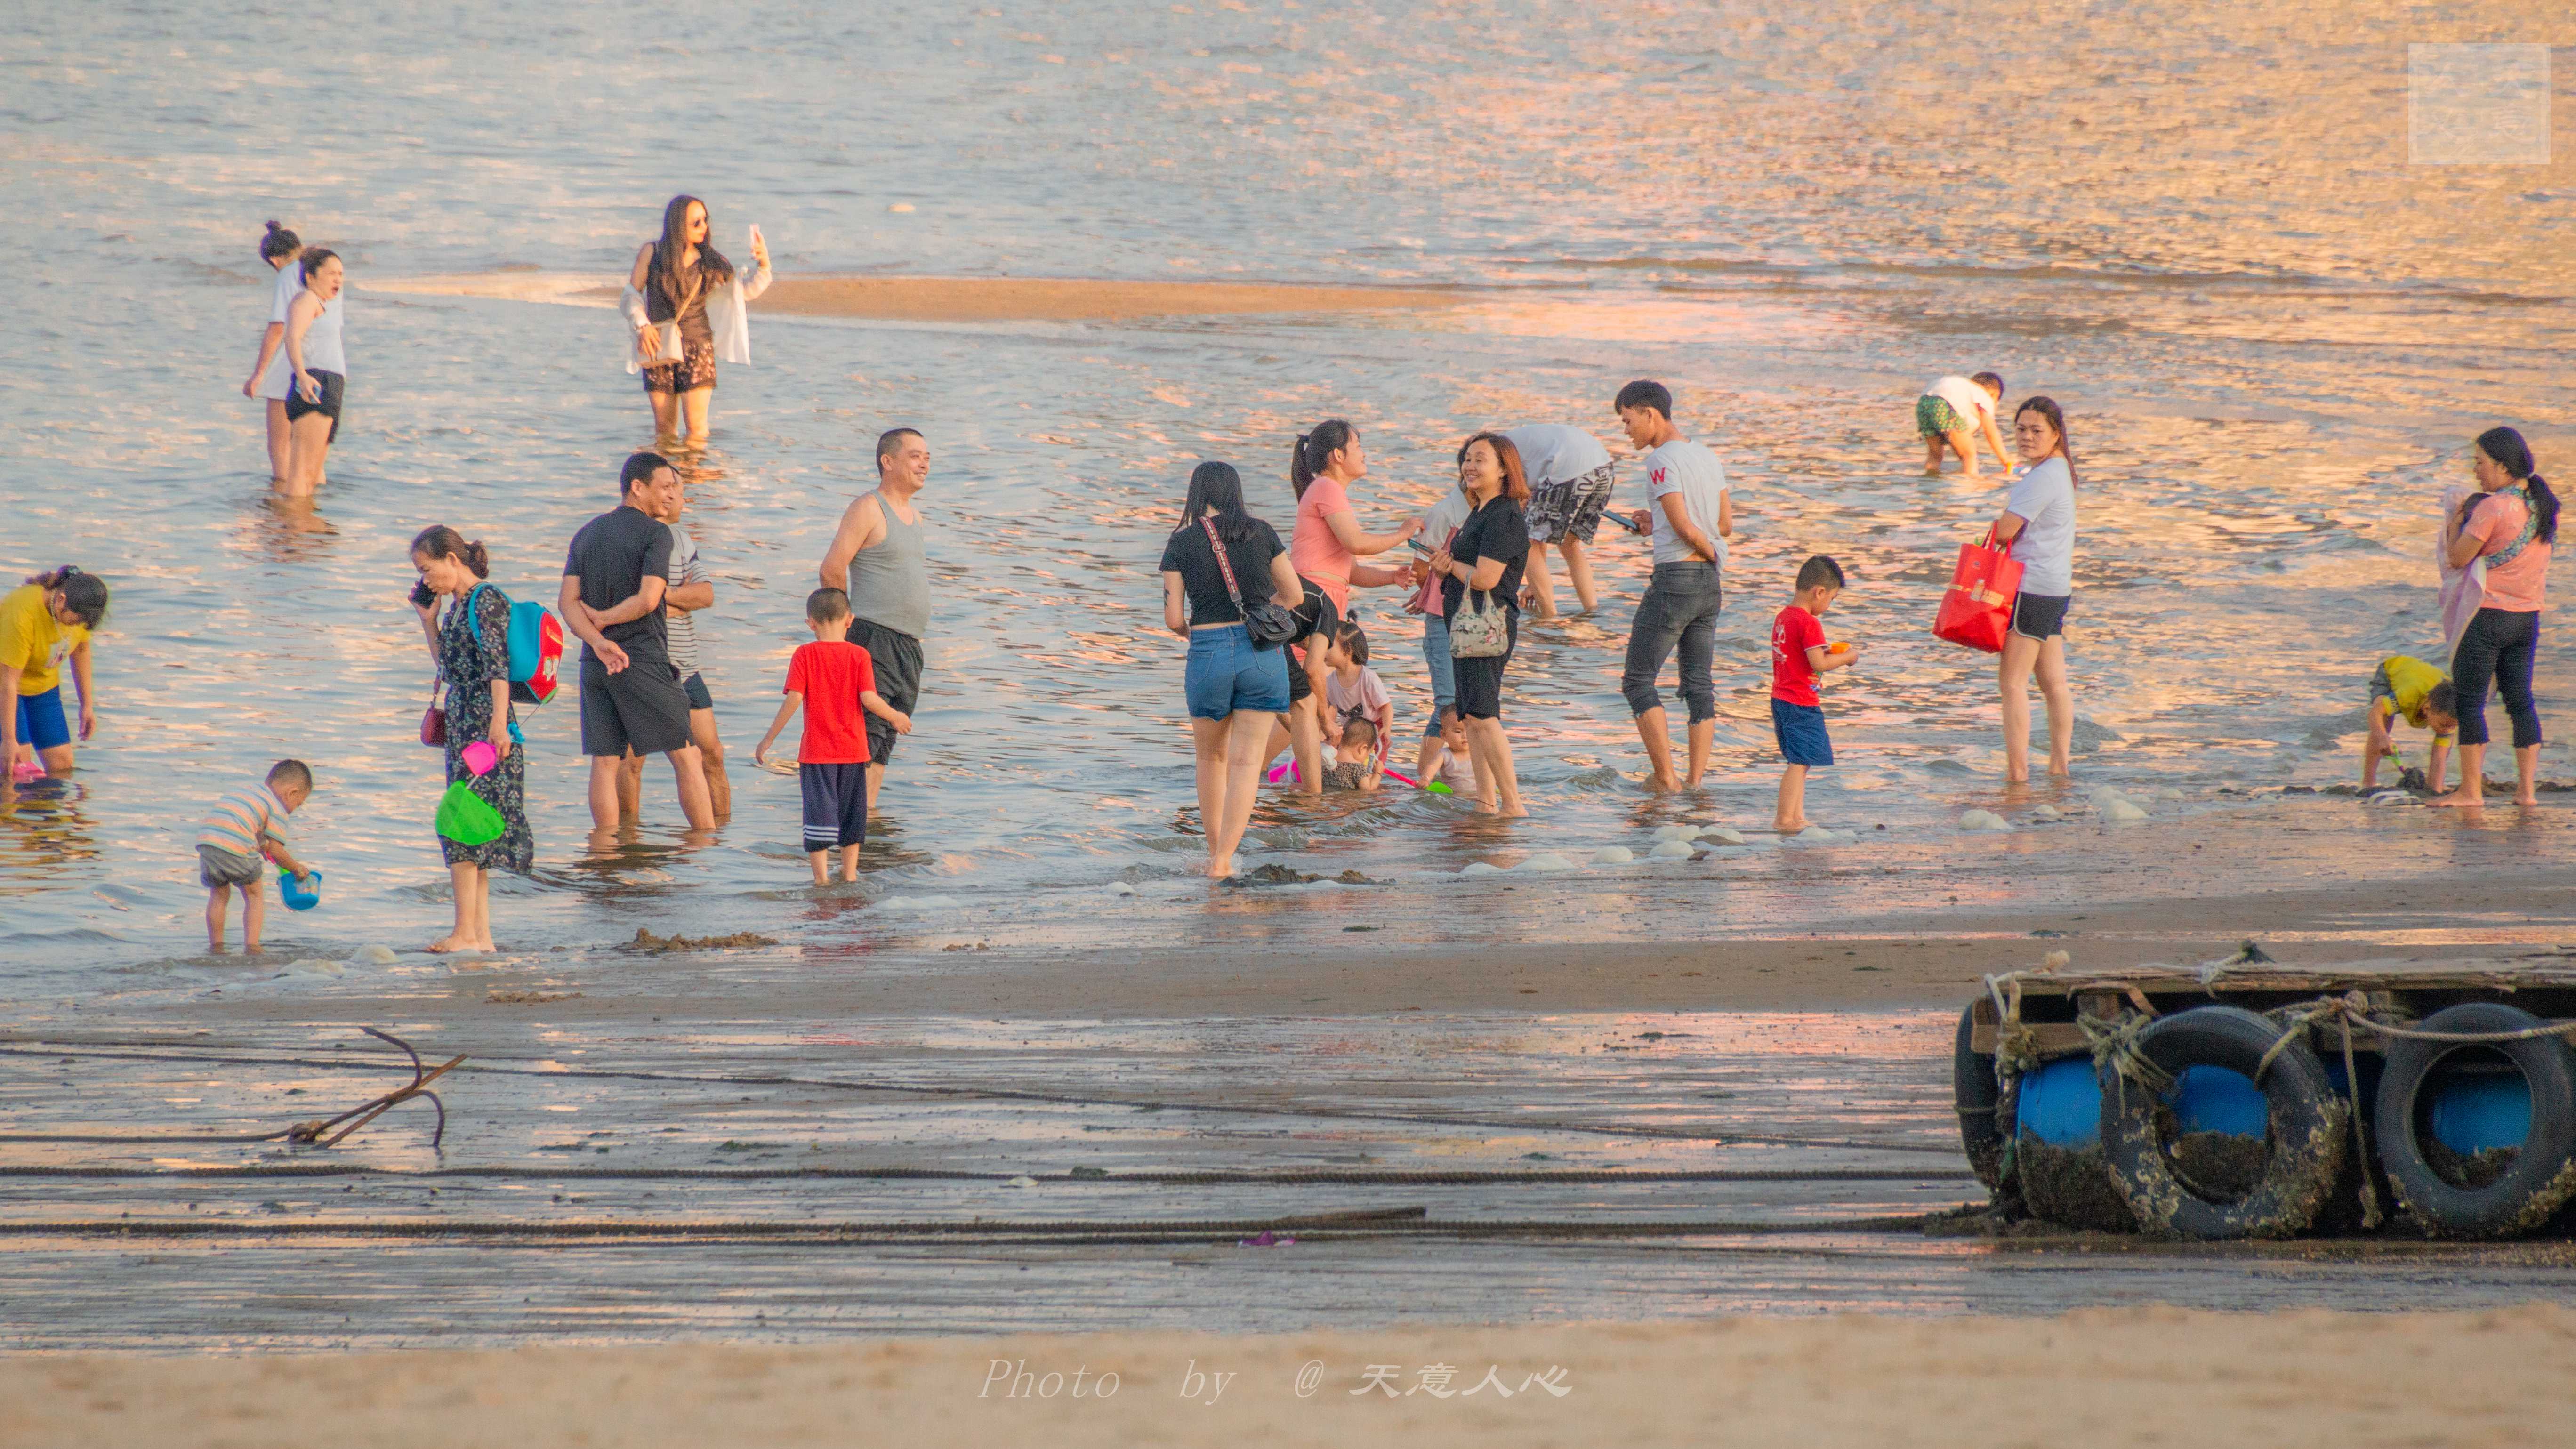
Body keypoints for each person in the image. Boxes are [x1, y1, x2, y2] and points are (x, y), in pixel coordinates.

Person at [1159, 461, 1305, 877]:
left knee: (1211, 758)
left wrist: (1194, 634)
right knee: (1246, 764)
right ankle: (1226, 859)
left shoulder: (1181, 542)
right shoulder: (1261, 531)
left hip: (1208, 652)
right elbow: (1294, 594)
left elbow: (1173, 618)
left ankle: (1213, 856)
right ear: (1235, 492)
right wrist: (1263, 615)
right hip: (1261, 653)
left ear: (1197, 493)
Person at [560, 452, 716, 834]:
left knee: (605, 762)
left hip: (596, 664)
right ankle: (705, 849)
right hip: (642, 660)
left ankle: (606, 850)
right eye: (665, 487)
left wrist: (597, 640)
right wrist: (606, 620)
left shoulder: (587, 533)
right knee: (687, 756)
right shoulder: (656, 534)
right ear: (637, 488)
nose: (672, 495)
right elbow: (649, 600)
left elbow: (567, 603)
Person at [411, 526, 534, 953]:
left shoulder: (486, 599)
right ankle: (480, 936)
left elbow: (499, 667)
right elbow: (448, 667)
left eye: (427, 569)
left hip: (485, 726)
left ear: (452, 559)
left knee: (460, 824)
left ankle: (466, 932)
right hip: (464, 724)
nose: (425, 579)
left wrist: (498, 724)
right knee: (471, 827)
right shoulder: (458, 607)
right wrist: (428, 620)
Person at [1612, 380, 1733, 792]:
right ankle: (1695, 784)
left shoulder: (1660, 460)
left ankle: (1667, 779)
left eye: (1628, 420)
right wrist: (1657, 523)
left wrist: (1707, 550)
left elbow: (1684, 527)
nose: (1626, 430)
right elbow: (1723, 524)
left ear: (1650, 414)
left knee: (1637, 681)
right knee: (1699, 684)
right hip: (1709, 586)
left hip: (1676, 579)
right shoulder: (1707, 455)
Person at [2433, 426, 2558, 809]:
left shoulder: (2492, 508)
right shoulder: (2541, 505)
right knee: (2521, 702)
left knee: (2470, 703)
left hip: (2487, 617)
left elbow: (2458, 558)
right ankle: (2527, 792)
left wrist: (2455, 521)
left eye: (2480, 462)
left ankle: (2470, 792)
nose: (2476, 471)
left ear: (2502, 466)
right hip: (2527, 618)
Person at [752, 589, 912, 886]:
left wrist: (768, 739)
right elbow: (869, 698)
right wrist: (895, 716)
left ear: (810, 623)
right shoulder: (860, 655)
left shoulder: (804, 654)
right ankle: (850, 877)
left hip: (817, 753)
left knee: (818, 817)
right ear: (850, 620)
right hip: (854, 752)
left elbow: (794, 699)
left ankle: (821, 881)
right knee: (852, 816)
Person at [818, 427, 932, 813]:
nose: (924, 463)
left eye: (927, 457)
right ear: (888, 461)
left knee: (883, 744)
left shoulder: (916, 517)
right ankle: (844, 829)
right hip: (873, 639)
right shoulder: (869, 507)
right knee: (865, 737)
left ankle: (865, 830)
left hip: (908, 646)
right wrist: (841, 633)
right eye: (915, 455)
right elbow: (832, 569)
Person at [1427, 432, 1533, 818]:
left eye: (1480, 460)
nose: (1469, 466)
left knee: (1486, 715)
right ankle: (1485, 802)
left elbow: (1487, 578)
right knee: (1470, 716)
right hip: (1466, 626)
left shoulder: (1505, 515)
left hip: (1488, 626)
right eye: (1467, 459)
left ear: (1504, 469)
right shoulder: (1480, 510)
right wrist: (1446, 568)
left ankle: (1513, 804)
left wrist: (1451, 565)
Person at [618, 480, 728, 822]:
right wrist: (671, 601)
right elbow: (627, 604)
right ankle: (629, 838)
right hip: (643, 665)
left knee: (712, 754)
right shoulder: (628, 539)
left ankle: (720, 836)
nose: (680, 499)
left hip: (687, 667)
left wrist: (659, 598)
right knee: (631, 761)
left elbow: (706, 595)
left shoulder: (681, 540)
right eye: (674, 491)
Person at [622, 195, 773, 445]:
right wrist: (642, 325)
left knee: (696, 429)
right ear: (677, 224)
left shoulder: (711, 262)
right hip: (657, 345)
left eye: (705, 220)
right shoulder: (652, 253)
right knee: (664, 430)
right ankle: (667, 470)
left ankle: (696, 470)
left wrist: (764, 266)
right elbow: (631, 295)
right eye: (696, 223)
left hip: (697, 347)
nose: (704, 227)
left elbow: (742, 293)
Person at [1994, 397, 2079, 783]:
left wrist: (1996, 526)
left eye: (2036, 430)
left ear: (2056, 434)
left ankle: (2017, 774)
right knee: (2053, 683)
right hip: (2055, 587)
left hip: (2031, 588)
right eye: (2021, 429)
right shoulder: (2059, 470)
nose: (2026, 437)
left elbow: (2005, 531)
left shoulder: (2042, 477)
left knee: (2013, 683)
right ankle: (2059, 769)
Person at [1288, 419, 1422, 620]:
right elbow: (1357, 543)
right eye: (1358, 446)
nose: (1364, 454)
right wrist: (1403, 534)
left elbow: (1353, 572)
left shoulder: (1327, 490)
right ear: (1338, 455)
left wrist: (1392, 577)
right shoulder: (1327, 487)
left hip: (1324, 596)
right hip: (1315, 596)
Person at [1771, 555, 1862, 833]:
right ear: (1819, 592)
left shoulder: (1784, 617)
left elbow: (1800, 655)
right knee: (1800, 762)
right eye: (1832, 599)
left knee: (1801, 760)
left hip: (1782, 698)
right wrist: (1847, 657)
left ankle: (1797, 817)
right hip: (1800, 702)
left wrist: (1826, 650)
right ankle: (1784, 819)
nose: (1829, 605)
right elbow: (1819, 664)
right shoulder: (1809, 623)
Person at [0, 566, 108, 787]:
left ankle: (50, 809)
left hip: (43, 689)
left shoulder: (80, 611)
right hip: (7, 687)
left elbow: (81, 650)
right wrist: (9, 739)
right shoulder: (22, 613)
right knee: (17, 767)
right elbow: (7, 681)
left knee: (62, 764)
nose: (76, 627)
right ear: (61, 600)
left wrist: (87, 705)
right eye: (74, 622)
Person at [197, 759, 314, 955]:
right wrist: (297, 869)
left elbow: (244, 823)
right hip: (234, 844)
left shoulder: (249, 792)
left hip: (208, 843)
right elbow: (277, 852)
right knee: (254, 895)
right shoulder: (277, 807)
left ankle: (216, 947)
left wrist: (261, 846)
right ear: (292, 793)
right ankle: (252, 946)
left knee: (219, 895)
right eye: (298, 803)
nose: (295, 809)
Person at [1503, 424, 1618, 618]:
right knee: (1570, 544)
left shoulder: (1493, 455)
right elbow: (1536, 526)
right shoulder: (1510, 446)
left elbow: (1529, 529)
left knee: (1525, 542)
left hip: (1567, 466)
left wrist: (1535, 582)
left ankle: (1549, 619)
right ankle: (1592, 613)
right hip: (1604, 467)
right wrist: (1535, 583)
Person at [1408, 480, 1473, 788]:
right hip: (1442, 616)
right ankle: (1427, 779)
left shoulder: (1488, 512)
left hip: (1473, 619)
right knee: (1447, 701)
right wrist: (1430, 594)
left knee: (1467, 701)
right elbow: (1421, 569)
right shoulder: (1444, 513)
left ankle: (1452, 775)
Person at [274, 249, 347, 498]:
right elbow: (291, 337)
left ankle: (304, 520)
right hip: (316, 382)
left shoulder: (323, 304)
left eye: (341, 274)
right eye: (331, 274)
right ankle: (292, 520)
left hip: (331, 384)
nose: (338, 280)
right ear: (310, 277)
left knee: (313, 475)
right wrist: (303, 375)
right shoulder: (306, 300)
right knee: (301, 473)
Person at [241, 222, 304, 484]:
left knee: (280, 445)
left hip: (292, 364)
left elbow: (278, 328)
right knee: (310, 450)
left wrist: (258, 375)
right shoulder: (324, 271)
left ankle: (282, 496)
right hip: (326, 364)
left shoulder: (288, 274)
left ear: (275, 260)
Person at [2362, 657, 2458, 794]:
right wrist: (2383, 738)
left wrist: (2434, 793)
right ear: (2427, 709)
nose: (2447, 730)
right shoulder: (2409, 696)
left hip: (2428, 681)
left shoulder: (2450, 714)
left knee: (2442, 748)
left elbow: (2440, 759)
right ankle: (2368, 782)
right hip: (2392, 673)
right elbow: (2374, 714)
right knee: (2383, 720)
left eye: (2453, 726)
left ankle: (2434, 785)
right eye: (2444, 725)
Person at [1918, 371, 2010, 477]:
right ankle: (1969, 481)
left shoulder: (1964, 389)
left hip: (1924, 402)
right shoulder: (1985, 397)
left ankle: (1929, 480)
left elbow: (1958, 434)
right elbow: (1991, 432)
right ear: (1995, 395)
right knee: (1969, 454)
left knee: (1935, 455)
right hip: (1945, 404)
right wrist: (2006, 460)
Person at [1321, 717, 1384, 792]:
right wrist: (1378, 773)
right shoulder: (1357, 767)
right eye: (1367, 755)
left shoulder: (1327, 760)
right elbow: (1368, 788)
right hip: (1347, 799)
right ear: (1363, 748)